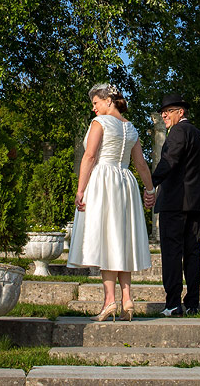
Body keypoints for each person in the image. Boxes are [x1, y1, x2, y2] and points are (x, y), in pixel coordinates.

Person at [66, 82, 154, 321]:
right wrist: (149, 190)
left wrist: (80, 189)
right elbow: (141, 164)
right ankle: (127, 299)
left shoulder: (100, 123)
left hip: (104, 181)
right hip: (126, 182)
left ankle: (109, 301)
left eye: (95, 103)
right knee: (122, 241)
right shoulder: (132, 128)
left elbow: (90, 156)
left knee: (107, 241)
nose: (93, 108)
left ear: (108, 100)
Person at [147, 92, 200, 317]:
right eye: (162, 112)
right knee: (192, 252)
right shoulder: (197, 134)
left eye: (168, 111)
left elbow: (169, 161)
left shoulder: (178, 132)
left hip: (175, 202)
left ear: (180, 112)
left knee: (172, 253)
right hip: (194, 203)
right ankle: (192, 303)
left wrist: (150, 183)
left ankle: (173, 304)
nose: (164, 116)